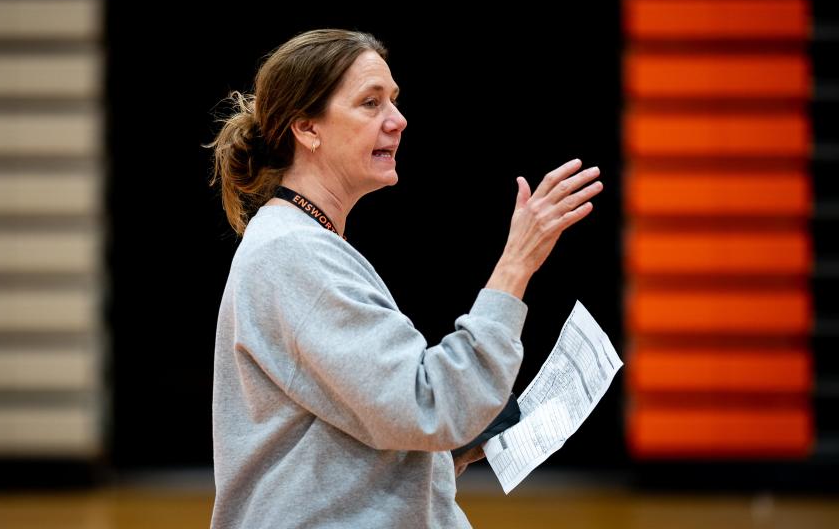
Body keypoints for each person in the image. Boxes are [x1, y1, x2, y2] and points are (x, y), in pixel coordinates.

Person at [207, 29, 603, 527]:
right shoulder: (293, 253)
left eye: (394, 101)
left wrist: (447, 451)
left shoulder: (300, 243)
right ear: (307, 129)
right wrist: (517, 262)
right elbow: (430, 403)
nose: (397, 120)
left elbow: (368, 425)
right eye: (370, 103)